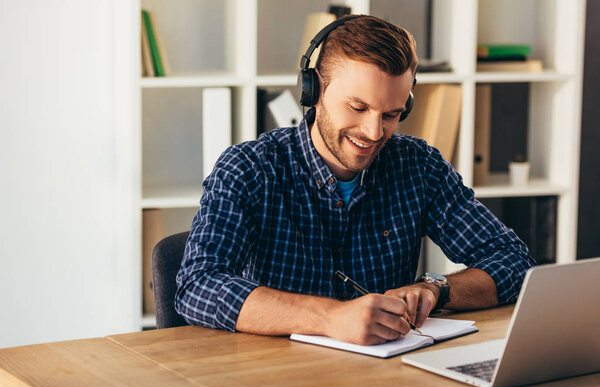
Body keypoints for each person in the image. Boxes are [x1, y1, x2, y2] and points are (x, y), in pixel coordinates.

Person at [175, 15, 535, 346]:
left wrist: (435, 289)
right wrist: (331, 317)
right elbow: (198, 286)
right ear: (313, 92)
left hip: (388, 374)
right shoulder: (248, 169)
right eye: (358, 107)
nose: (374, 132)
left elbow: (513, 263)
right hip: (281, 377)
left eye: (392, 114)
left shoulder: (419, 166)